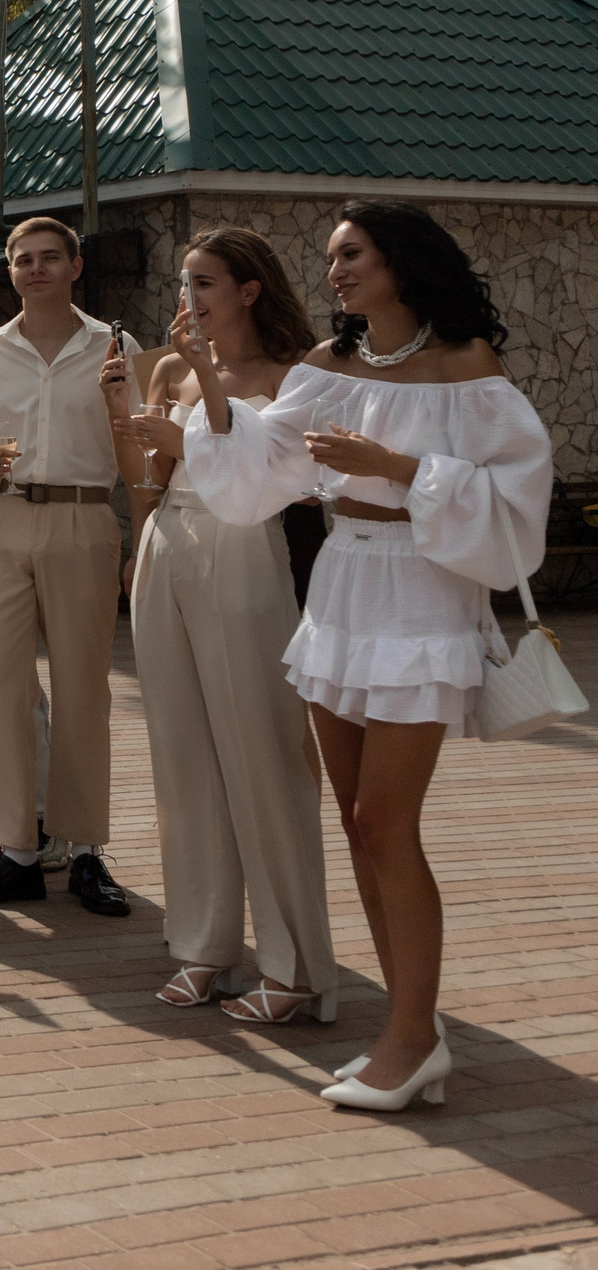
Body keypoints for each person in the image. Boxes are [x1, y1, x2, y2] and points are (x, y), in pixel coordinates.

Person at [183, 201, 550, 1111]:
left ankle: (414, 1037)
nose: (336, 270)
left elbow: (516, 496)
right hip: (343, 583)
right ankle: (406, 1032)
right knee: (354, 819)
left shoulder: (467, 369)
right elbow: (262, 467)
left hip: (424, 591)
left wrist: (394, 466)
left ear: (401, 262)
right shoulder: (326, 366)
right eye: (333, 256)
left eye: (353, 253)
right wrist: (210, 389)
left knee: (388, 820)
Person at [107, 227, 336, 1025]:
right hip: (169, 538)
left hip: (245, 549)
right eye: (183, 282)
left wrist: (203, 388)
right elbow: (151, 476)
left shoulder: (297, 374)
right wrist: (128, 429)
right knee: (182, 756)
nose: (188, 298)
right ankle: (203, 945)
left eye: (204, 282)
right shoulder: (165, 367)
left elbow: (286, 482)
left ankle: (295, 961)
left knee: (261, 753)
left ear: (249, 289)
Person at [0, 217, 134, 916]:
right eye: (24, 260)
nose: (37, 268)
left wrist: (138, 540)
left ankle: (84, 852)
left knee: (84, 687)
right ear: (9, 269)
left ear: (76, 266)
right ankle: (15, 851)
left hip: (84, 516)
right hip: (0, 517)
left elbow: (137, 444)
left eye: (51, 257)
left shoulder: (116, 347)